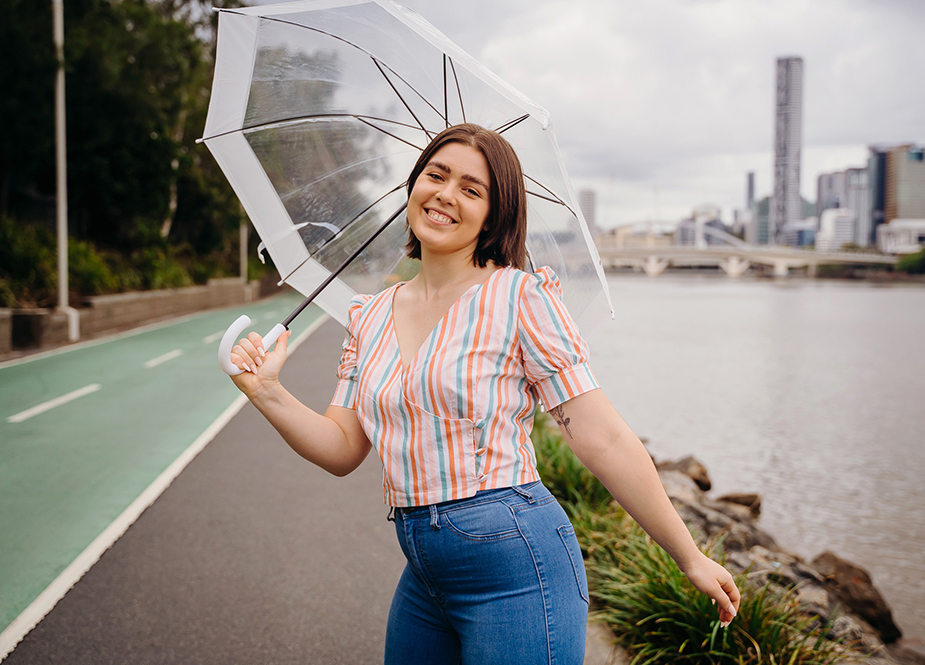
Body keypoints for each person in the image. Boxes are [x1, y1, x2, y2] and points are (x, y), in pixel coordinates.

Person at [228, 123, 740, 664]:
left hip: (519, 568)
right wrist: (267, 392)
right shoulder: (370, 315)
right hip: (424, 572)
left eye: (472, 189)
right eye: (436, 175)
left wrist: (689, 556)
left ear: (494, 216)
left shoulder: (521, 298)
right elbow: (341, 448)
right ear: (413, 187)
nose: (447, 194)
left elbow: (603, 437)